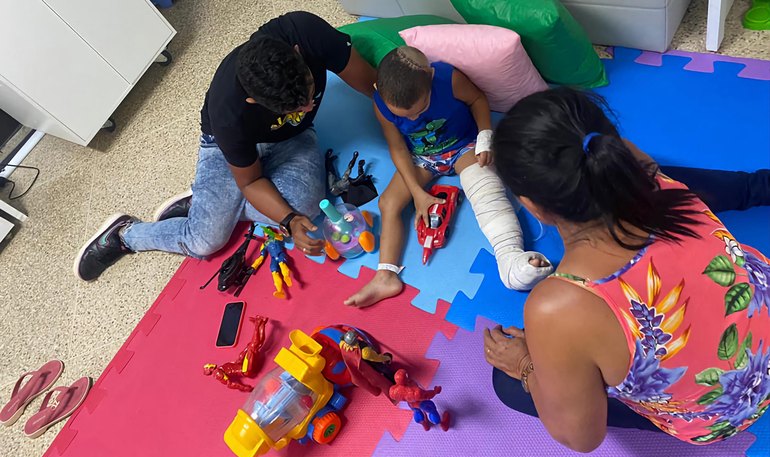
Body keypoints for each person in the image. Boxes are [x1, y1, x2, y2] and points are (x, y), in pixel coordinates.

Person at [484, 87, 770, 452]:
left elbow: (582, 438)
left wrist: (525, 364)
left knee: (506, 382)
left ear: (533, 207)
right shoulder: (659, 182)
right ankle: (756, 185)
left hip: (722, 416)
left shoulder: (558, 306)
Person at [74, 11, 376, 281]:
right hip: (225, 150)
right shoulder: (229, 112)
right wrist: (288, 220)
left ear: (297, 53)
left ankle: (207, 202)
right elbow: (252, 180)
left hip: (291, 139)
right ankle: (126, 234)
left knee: (308, 207)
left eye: (310, 92)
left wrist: (407, 129)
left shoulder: (305, 31)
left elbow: (374, 88)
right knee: (204, 240)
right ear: (253, 101)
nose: (310, 106)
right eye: (297, 106)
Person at [345, 46, 552, 308]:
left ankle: (510, 256)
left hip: (463, 146)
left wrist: (485, 136)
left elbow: (477, 99)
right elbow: (397, 147)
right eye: (405, 115)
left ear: (430, 79)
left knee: (485, 188)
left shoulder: (448, 78)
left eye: (419, 110)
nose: (413, 118)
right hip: (423, 158)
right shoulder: (381, 102)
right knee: (388, 203)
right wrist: (418, 193)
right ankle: (385, 276)